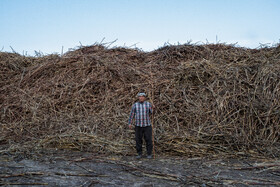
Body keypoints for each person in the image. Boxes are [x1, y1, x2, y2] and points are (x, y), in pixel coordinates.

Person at [128, 92, 154, 159]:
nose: (141, 97)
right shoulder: (135, 105)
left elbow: (152, 113)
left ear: (145, 98)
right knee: (138, 140)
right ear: (138, 98)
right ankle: (139, 154)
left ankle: (149, 154)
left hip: (147, 125)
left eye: (143, 96)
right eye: (140, 96)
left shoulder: (148, 104)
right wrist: (130, 123)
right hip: (138, 125)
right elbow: (132, 114)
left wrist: (153, 108)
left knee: (148, 139)